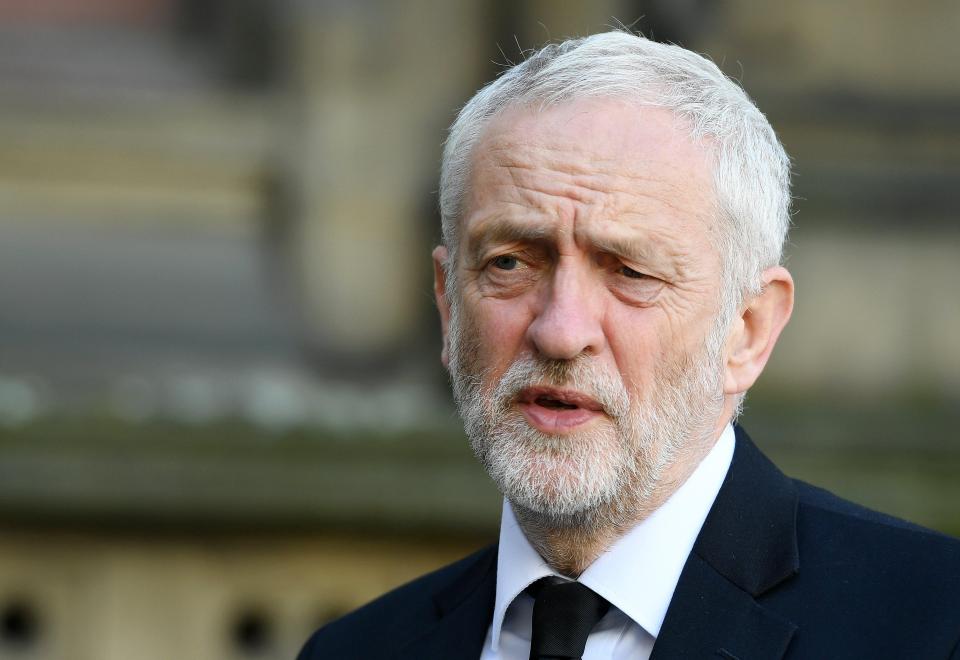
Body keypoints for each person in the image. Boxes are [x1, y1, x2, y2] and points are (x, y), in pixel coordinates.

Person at [298, 31, 960, 659]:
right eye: (509, 263)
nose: (560, 330)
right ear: (447, 304)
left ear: (749, 330)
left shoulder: (932, 625)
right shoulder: (358, 649)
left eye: (631, 273)